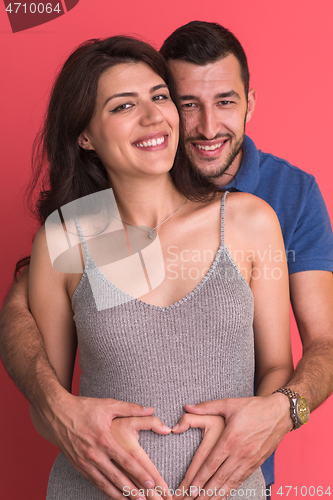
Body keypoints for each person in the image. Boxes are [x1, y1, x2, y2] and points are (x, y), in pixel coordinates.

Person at [0, 20, 332, 499]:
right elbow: (47, 402)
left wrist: (270, 418)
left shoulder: (252, 220)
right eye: (123, 106)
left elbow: (283, 363)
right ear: (85, 136)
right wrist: (72, 428)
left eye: (159, 98)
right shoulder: (66, 237)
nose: (155, 117)